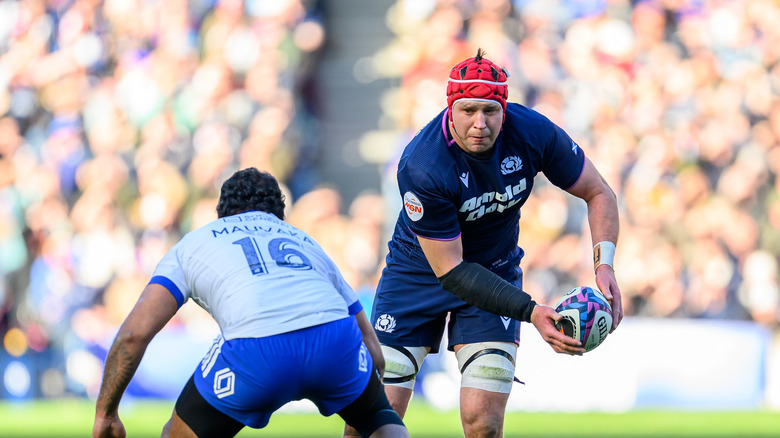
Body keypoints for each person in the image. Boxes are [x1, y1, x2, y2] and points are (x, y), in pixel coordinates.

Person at [365, 49, 623, 438]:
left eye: (490, 111)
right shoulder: (422, 165)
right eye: (468, 110)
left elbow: (599, 192)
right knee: (372, 423)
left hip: (493, 273)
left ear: (506, 109)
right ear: (450, 108)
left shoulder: (532, 132)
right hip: (416, 277)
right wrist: (531, 311)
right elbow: (451, 271)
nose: (480, 123)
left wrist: (605, 265)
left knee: (483, 423)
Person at [93, 168, 408, 438]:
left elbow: (134, 334)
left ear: (221, 213)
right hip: (334, 338)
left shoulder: (196, 241)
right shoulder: (303, 240)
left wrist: (106, 414)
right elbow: (372, 348)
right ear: (279, 216)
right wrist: (366, 408)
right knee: (381, 421)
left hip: (258, 348)